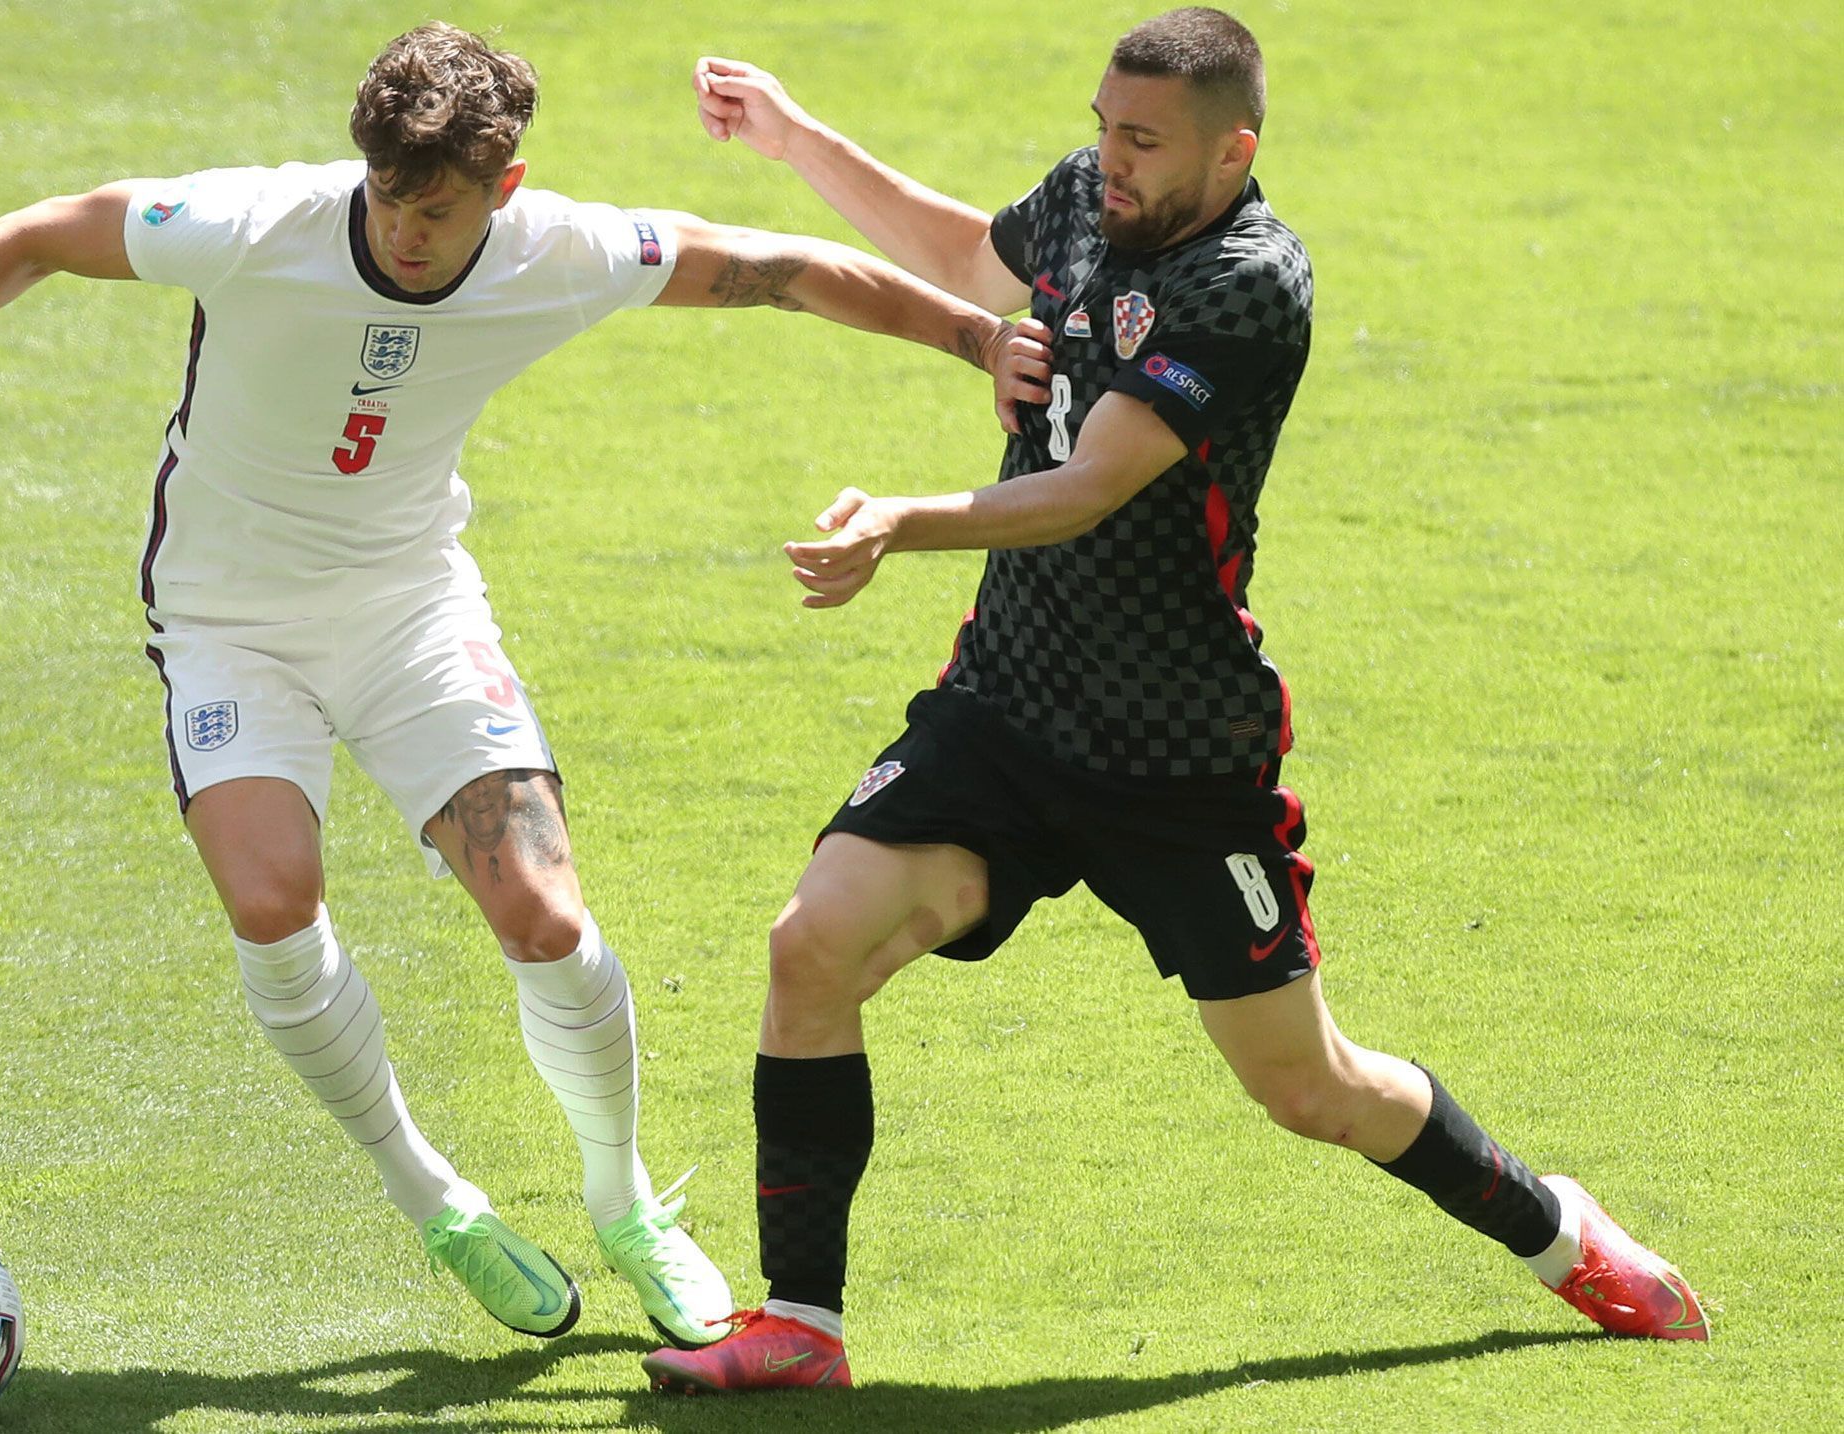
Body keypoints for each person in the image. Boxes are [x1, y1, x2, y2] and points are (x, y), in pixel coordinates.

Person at [0, 22, 1016, 1349]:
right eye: (390, 202)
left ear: (504, 191)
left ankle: (624, 1198)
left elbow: (782, 270)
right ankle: (437, 1198)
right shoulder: (252, 223)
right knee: (270, 898)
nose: (409, 234)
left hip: (410, 611)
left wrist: (975, 339)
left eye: (442, 209)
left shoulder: (559, 249)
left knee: (541, 913)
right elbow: (38, 234)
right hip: (229, 624)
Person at [641, 6, 1710, 1393]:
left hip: (1177, 759)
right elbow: (973, 251)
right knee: (811, 945)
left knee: (1307, 1086)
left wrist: (897, 520)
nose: (1108, 159)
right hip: (1008, 707)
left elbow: (1087, 488)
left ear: (1231, 149)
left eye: (1141, 139)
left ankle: (1557, 1231)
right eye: (1101, 124)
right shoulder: (1097, 193)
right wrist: (792, 138)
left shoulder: (1250, 284)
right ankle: (801, 1326)